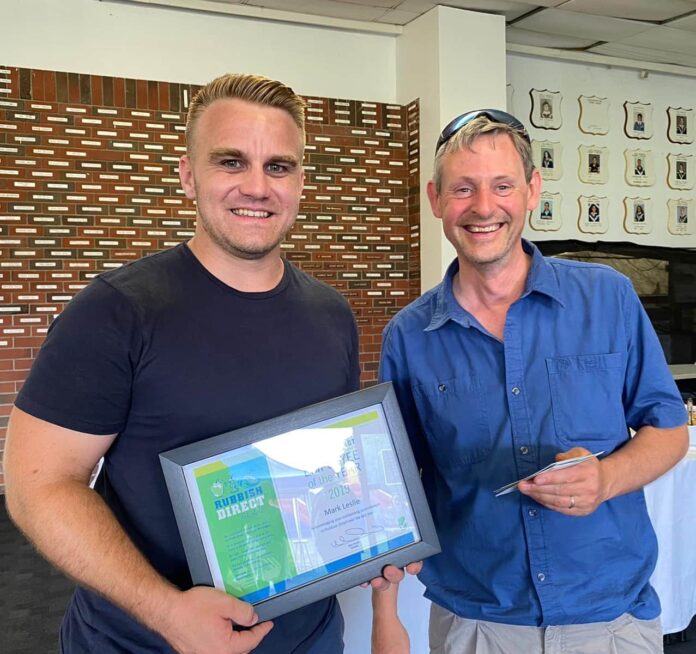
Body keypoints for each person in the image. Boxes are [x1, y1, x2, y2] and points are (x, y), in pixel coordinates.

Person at [3, 72, 389, 654]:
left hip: (307, 638)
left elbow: (326, 460)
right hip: (146, 642)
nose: (257, 187)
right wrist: (166, 612)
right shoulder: (116, 312)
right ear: (189, 176)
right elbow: (38, 486)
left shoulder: (331, 314)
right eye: (231, 162)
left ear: (300, 182)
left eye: (278, 166)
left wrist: (374, 533)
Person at [372, 108, 688, 654]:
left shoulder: (607, 298)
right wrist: (384, 615)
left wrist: (606, 478)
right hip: (477, 626)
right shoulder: (409, 336)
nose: (483, 207)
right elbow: (396, 485)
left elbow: (670, 431)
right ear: (436, 200)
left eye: (502, 186)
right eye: (463, 188)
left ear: (532, 191)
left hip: (609, 622)